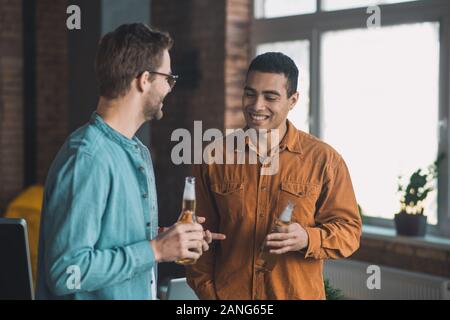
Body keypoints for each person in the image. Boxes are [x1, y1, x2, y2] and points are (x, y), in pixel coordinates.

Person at [36, 23, 224, 300]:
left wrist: (170, 240)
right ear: (144, 79)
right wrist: (156, 250)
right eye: (168, 79)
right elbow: (67, 271)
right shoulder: (88, 157)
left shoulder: (138, 151)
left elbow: (114, 240)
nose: (170, 89)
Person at [186, 52, 362, 300]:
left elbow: (349, 233)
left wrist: (307, 238)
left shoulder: (325, 160)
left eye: (270, 97)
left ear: (293, 100)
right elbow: (197, 236)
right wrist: (209, 294)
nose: (257, 106)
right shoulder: (214, 158)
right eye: (250, 93)